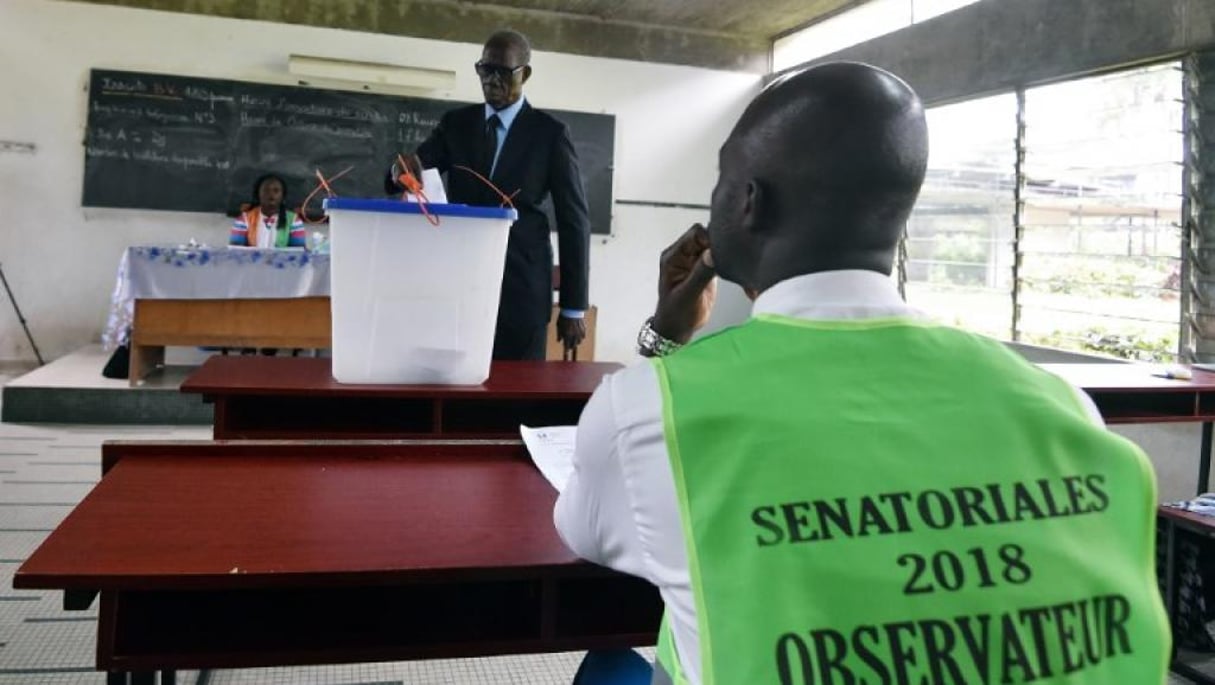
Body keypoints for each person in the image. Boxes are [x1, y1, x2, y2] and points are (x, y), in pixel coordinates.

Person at [555, 62, 1169, 684]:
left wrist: (667, 338)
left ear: (748, 202)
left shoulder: (646, 412)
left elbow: (586, 530)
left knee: (609, 667)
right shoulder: (1062, 404)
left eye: (721, 181)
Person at [388, 29, 591, 361]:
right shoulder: (456, 124)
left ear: (524, 74)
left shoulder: (550, 134)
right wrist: (399, 172)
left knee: (519, 393)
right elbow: (412, 167)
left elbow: (575, 221)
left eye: (503, 72)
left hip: (523, 285)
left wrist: (572, 307)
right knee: (458, 387)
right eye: (485, 70)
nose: (492, 81)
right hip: (459, 283)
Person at [230, 173, 306, 248]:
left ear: (283, 196)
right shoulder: (244, 220)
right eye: (266, 190)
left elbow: (298, 253)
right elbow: (235, 251)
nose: (271, 194)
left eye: (276, 190)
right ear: (258, 194)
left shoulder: (294, 221)